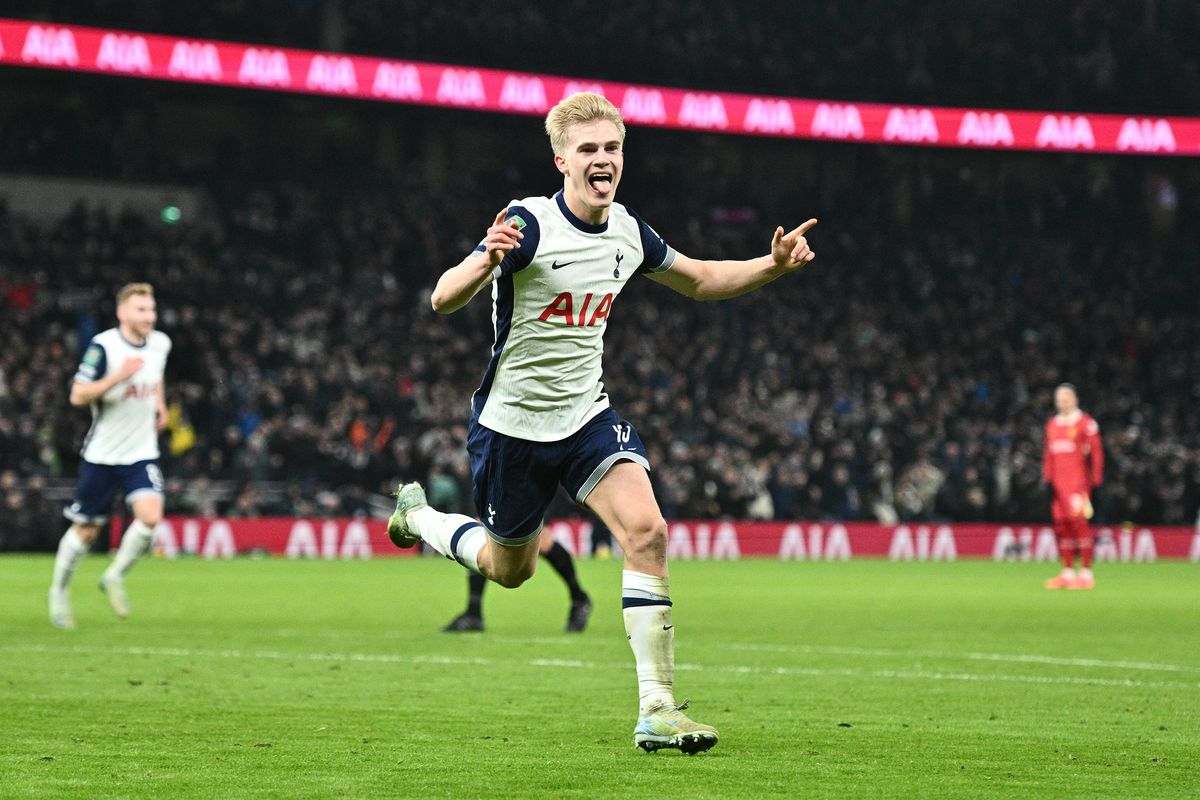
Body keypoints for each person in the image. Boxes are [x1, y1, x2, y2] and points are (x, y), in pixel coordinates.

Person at [386, 92, 817, 753]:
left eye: (612, 148)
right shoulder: (528, 225)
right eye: (588, 149)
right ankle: (420, 521)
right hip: (512, 431)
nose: (603, 160)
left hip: (587, 416)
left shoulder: (627, 231)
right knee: (510, 571)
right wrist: (485, 259)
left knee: (646, 530)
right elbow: (443, 298)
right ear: (561, 159)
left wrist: (773, 265)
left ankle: (658, 708)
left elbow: (700, 279)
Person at [49, 283, 171, 628]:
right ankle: (59, 590)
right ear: (122, 313)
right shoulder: (103, 347)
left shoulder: (161, 343)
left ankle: (114, 575)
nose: (149, 316)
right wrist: (118, 377)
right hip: (102, 454)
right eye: (141, 310)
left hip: (141, 452)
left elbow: (155, 374)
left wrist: (160, 403)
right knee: (85, 531)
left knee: (150, 516)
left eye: (151, 310)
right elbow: (77, 395)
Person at [442, 528, 591, 633]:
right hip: (495, 485)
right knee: (481, 537)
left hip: (530, 486)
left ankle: (579, 598)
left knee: (543, 539)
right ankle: (473, 613)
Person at [1042, 383, 1104, 590]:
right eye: (1059, 398)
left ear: (1075, 399)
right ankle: (1067, 574)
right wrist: (1047, 477)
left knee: (1080, 526)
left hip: (1078, 484)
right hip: (1058, 487)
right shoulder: (1052, 424)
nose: (1062, 401)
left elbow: (1096, 452)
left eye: (1066, 397)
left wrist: (1095, 479)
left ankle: (1086, 574)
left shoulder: (1086, 423)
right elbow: (1049, 454)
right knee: (1062, 527)